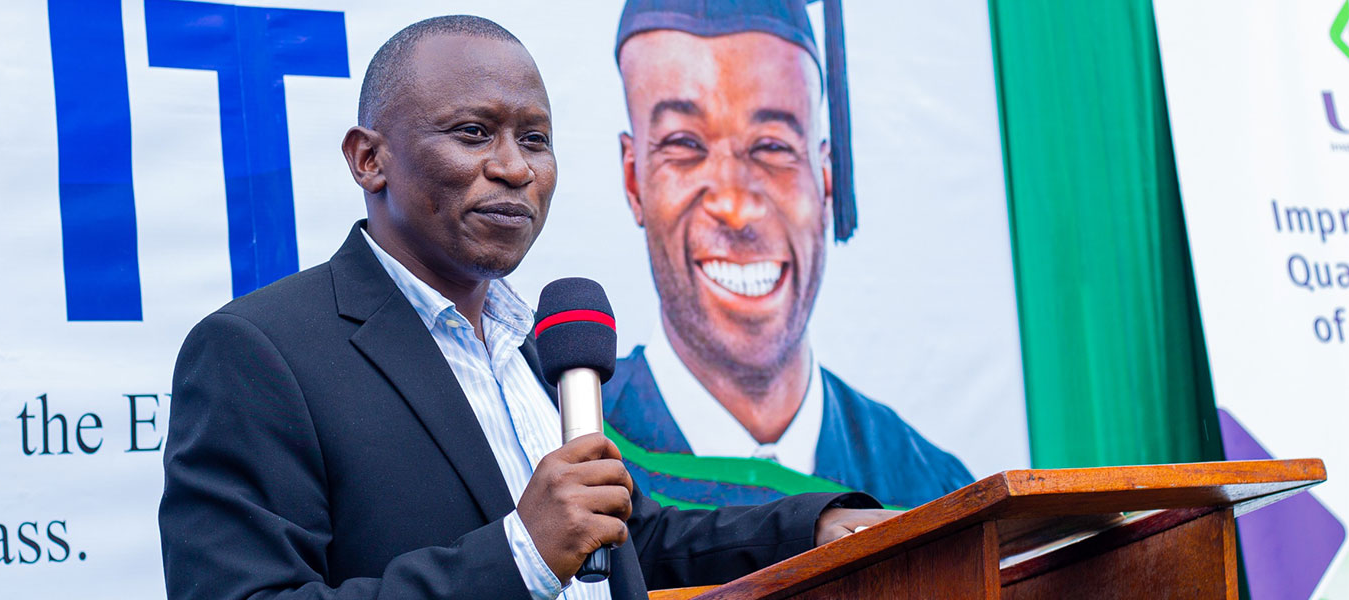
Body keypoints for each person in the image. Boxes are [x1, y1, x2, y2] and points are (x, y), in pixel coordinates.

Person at [158, 15, 894, 600]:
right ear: (368, 159)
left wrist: (819, 526)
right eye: (474, 133)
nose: (514, 168)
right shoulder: (258, 353)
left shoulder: (540, 349)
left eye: (535, 139)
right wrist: (521, 555)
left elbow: (631, 547)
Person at [603, 0, 974, 510]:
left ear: (826, 178)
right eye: (685, 144)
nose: (735, 207)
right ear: (633, 181)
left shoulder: (932, 491)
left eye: (773, 147)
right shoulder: (562, 456)